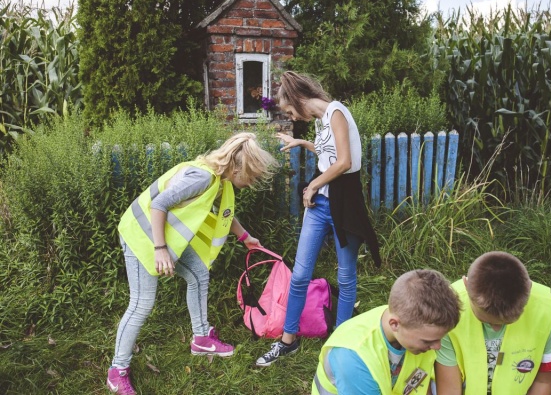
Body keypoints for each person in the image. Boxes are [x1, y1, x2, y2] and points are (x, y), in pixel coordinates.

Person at [106, 132, 277, 395]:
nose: (251, 183)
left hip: (164, 236)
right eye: (251, 177)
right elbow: (159, 204)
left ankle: (201, 339)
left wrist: (245, 238)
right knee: (141, 304)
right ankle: (117, 371)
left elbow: (223, 214)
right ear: (237, 168)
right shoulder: (202, 178)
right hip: (142, 236)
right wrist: (160, 249)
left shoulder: (218, 179)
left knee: (198, 274)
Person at [256, 71, 380, 366]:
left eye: (289, 111)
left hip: (344, 202)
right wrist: (301, 143)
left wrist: (312, 185)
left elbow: (345, 162)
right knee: (300, 275)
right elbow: (328, 154)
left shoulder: (336, 112)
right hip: (320, 205)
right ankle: (288, 341)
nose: (292, 117)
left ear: (297, 99)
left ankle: (340, 342)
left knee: (346, 277)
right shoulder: (322, 120)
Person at [434, 251, 551, 395]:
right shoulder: (447, 310)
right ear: (466, 285)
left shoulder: (548, 312)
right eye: (485, 320)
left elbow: (543, 381)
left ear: (529, 289)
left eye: (507, 322)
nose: (496, 329)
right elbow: (450, 388)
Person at [311, 269, 461, 395]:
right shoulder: (354, 359)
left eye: (440, 338)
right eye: (428, 341)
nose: (438, 347)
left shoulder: (410, 322)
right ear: (394, 324)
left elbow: (420, 383)